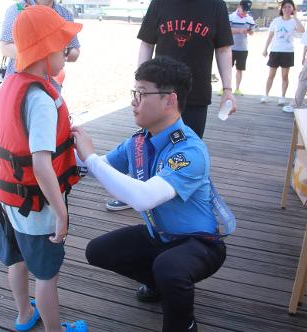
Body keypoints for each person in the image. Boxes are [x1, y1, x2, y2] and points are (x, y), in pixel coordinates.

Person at [73, 56, 229, 332]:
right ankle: (160, 284)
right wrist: (63, 143)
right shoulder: (139, 140)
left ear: (170, 100)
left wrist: (91, 157)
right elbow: (97, 168)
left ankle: (184, 323)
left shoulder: (189, 151)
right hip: (159, 236)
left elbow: (143, 197)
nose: (134, 101)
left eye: (142, 94)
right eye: (135, 93)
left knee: (170, 267)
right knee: (97, 251)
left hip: (199, 243)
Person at [0, 6, 87, 332]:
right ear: (45, 51)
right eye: (61, 46)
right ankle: (55, 329)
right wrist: (61, 214)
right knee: (47, 277)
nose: (66, 52)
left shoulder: (9, 83)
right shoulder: (41, 100)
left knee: (16, 260)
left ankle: (23, 315)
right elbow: (42, 164)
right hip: (37, 206)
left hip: (6, 198)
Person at [106, 0, 236, 211]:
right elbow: (147, 43)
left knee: (185, 148)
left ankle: (173, 198)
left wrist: (228, 89)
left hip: (195, 94)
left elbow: (223, 49)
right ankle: (135, 191)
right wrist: (141, 87)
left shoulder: (215, 5)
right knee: (147, 143)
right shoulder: (160, 3)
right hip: (157, 94)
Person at [0, 0, 80, 89]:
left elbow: (75, 52)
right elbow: (5, 47)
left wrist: (62, 51)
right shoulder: (16, 9)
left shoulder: (65, 13)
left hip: (52, 84)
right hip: (21, 82)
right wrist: (43, 53)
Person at [261, 0, 304, 106]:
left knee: (285, 76)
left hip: (287, 51)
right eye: (285, 7)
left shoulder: (294, 21)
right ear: (281, 9)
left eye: (289, 7)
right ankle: (266, 95)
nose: (287, 9)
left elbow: (302, 30)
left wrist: (296, 17)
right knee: (271, 74)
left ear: (293, 9)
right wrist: (265, 49)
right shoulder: (276, 21)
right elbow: (270, 36)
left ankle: (282, 97)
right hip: (275, 50)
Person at [229, 0, 255, 96]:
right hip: (231, 47)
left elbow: (252, 32)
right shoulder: (231, 17)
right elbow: (227, 30)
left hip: (243, 48)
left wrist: (249, 31)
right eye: (243, 9)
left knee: (240, 69)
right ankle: (224, 88)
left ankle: (237, 88)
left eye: (247, 10)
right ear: (239, 6)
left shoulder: (250, 19)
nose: (245, 12)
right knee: (228, 69)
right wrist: (239, 30)